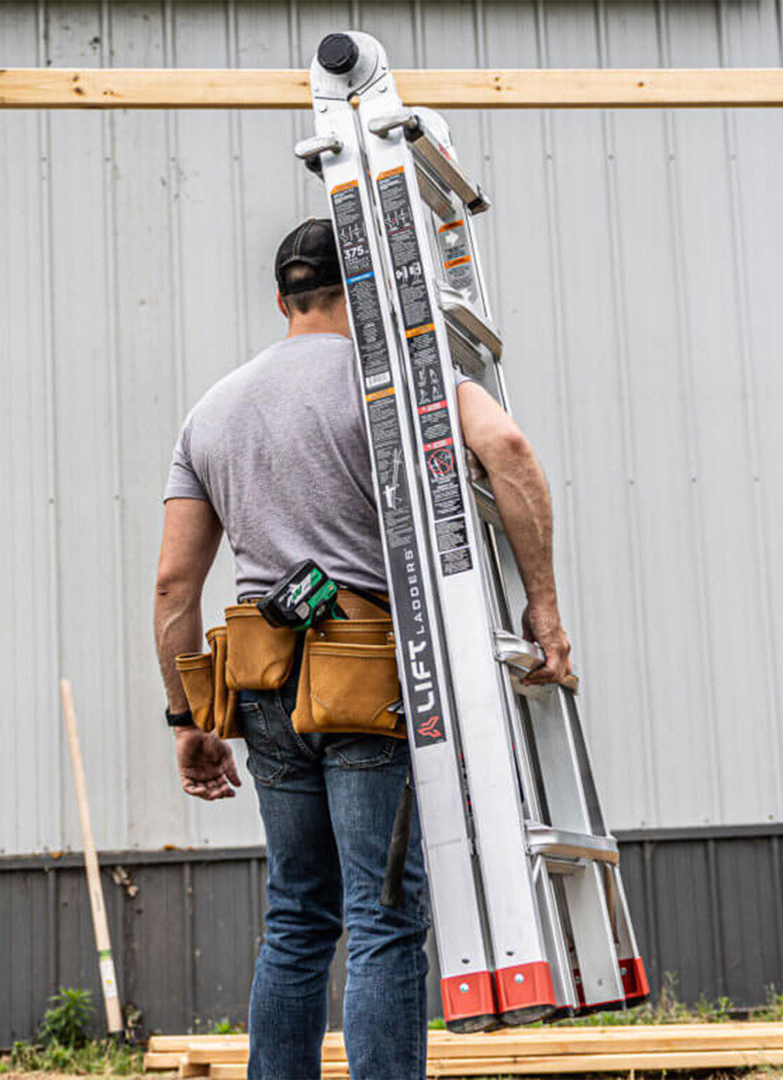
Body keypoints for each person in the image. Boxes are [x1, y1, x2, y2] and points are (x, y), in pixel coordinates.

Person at [153, 218, 573, 1080]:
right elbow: (510, 449)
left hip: (262, 681)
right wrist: (544, 607)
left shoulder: (213, 409)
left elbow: (172, 588)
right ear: (367, 291)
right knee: (382, 917)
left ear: (282, 299)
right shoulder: (399, 385)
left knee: (298, 916)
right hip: (368, 672)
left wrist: (188, 716)